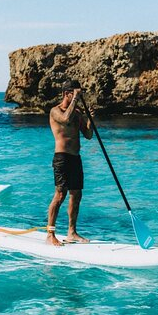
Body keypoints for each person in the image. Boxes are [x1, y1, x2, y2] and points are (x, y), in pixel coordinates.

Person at [47, 80, 93, 246]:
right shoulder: (55, 111)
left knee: (76, 194)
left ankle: (71, 232)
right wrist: (75, 99)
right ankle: (50, 234)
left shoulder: (78, 113)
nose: (78, 97)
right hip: (62, 158)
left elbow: (88, 135)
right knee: (60, 195)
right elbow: (66, 119)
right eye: (74, 93)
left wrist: (89, 120)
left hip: (75, 158)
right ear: (67, 93)